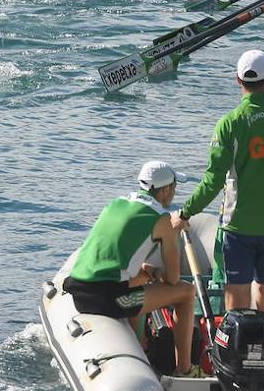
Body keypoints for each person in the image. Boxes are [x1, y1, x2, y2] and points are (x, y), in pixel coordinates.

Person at [178, 49, 264, 346]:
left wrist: (185, 212)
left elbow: (212, 181)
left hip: (237, 229)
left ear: (238, 80)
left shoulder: (230, 123)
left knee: (235, 301)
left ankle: (235, 356)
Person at [64, 161, 196, 376]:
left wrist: (147, 272)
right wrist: (156, 272)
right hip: (111, 300)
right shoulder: (162, 220)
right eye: (174, 187)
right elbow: (173, 279)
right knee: (186, 292)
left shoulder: (116, 203)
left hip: (79, 292)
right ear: (165, 190)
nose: (174, 192)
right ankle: (185, 369)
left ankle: (139, 343)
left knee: (138, 276)